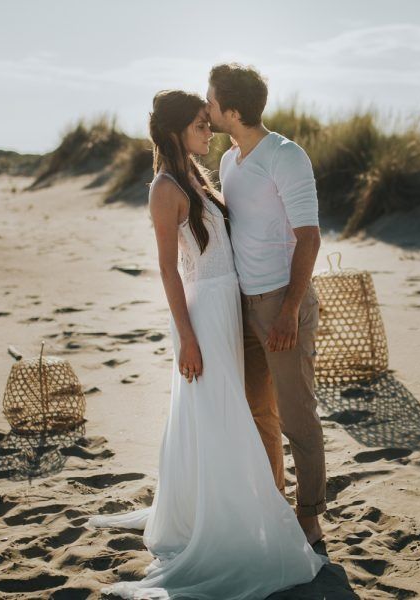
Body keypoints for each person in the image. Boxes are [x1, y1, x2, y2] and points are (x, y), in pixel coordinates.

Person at [86, 89, 325, 600]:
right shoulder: (165, 188)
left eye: (208, 117)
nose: (208, 129)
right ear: (176, 130)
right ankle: (228, 515)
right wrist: (187, 339)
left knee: (233, 410)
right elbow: (168, 271)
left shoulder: (200, 175)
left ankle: (249, 503)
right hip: (203, 315)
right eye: (199, 122)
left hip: (228, 307)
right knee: (221, 410)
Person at [206, 63, 327, 545]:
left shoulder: (285, 156)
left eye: (211, 100)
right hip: (242, 303)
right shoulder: (229, 161)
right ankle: (272, 500)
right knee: (258, 410)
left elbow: (310, 238)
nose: (206, 107)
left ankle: (310, 515)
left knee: (297, 413)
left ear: (232, 110)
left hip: (282, 302)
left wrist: (289, 309)